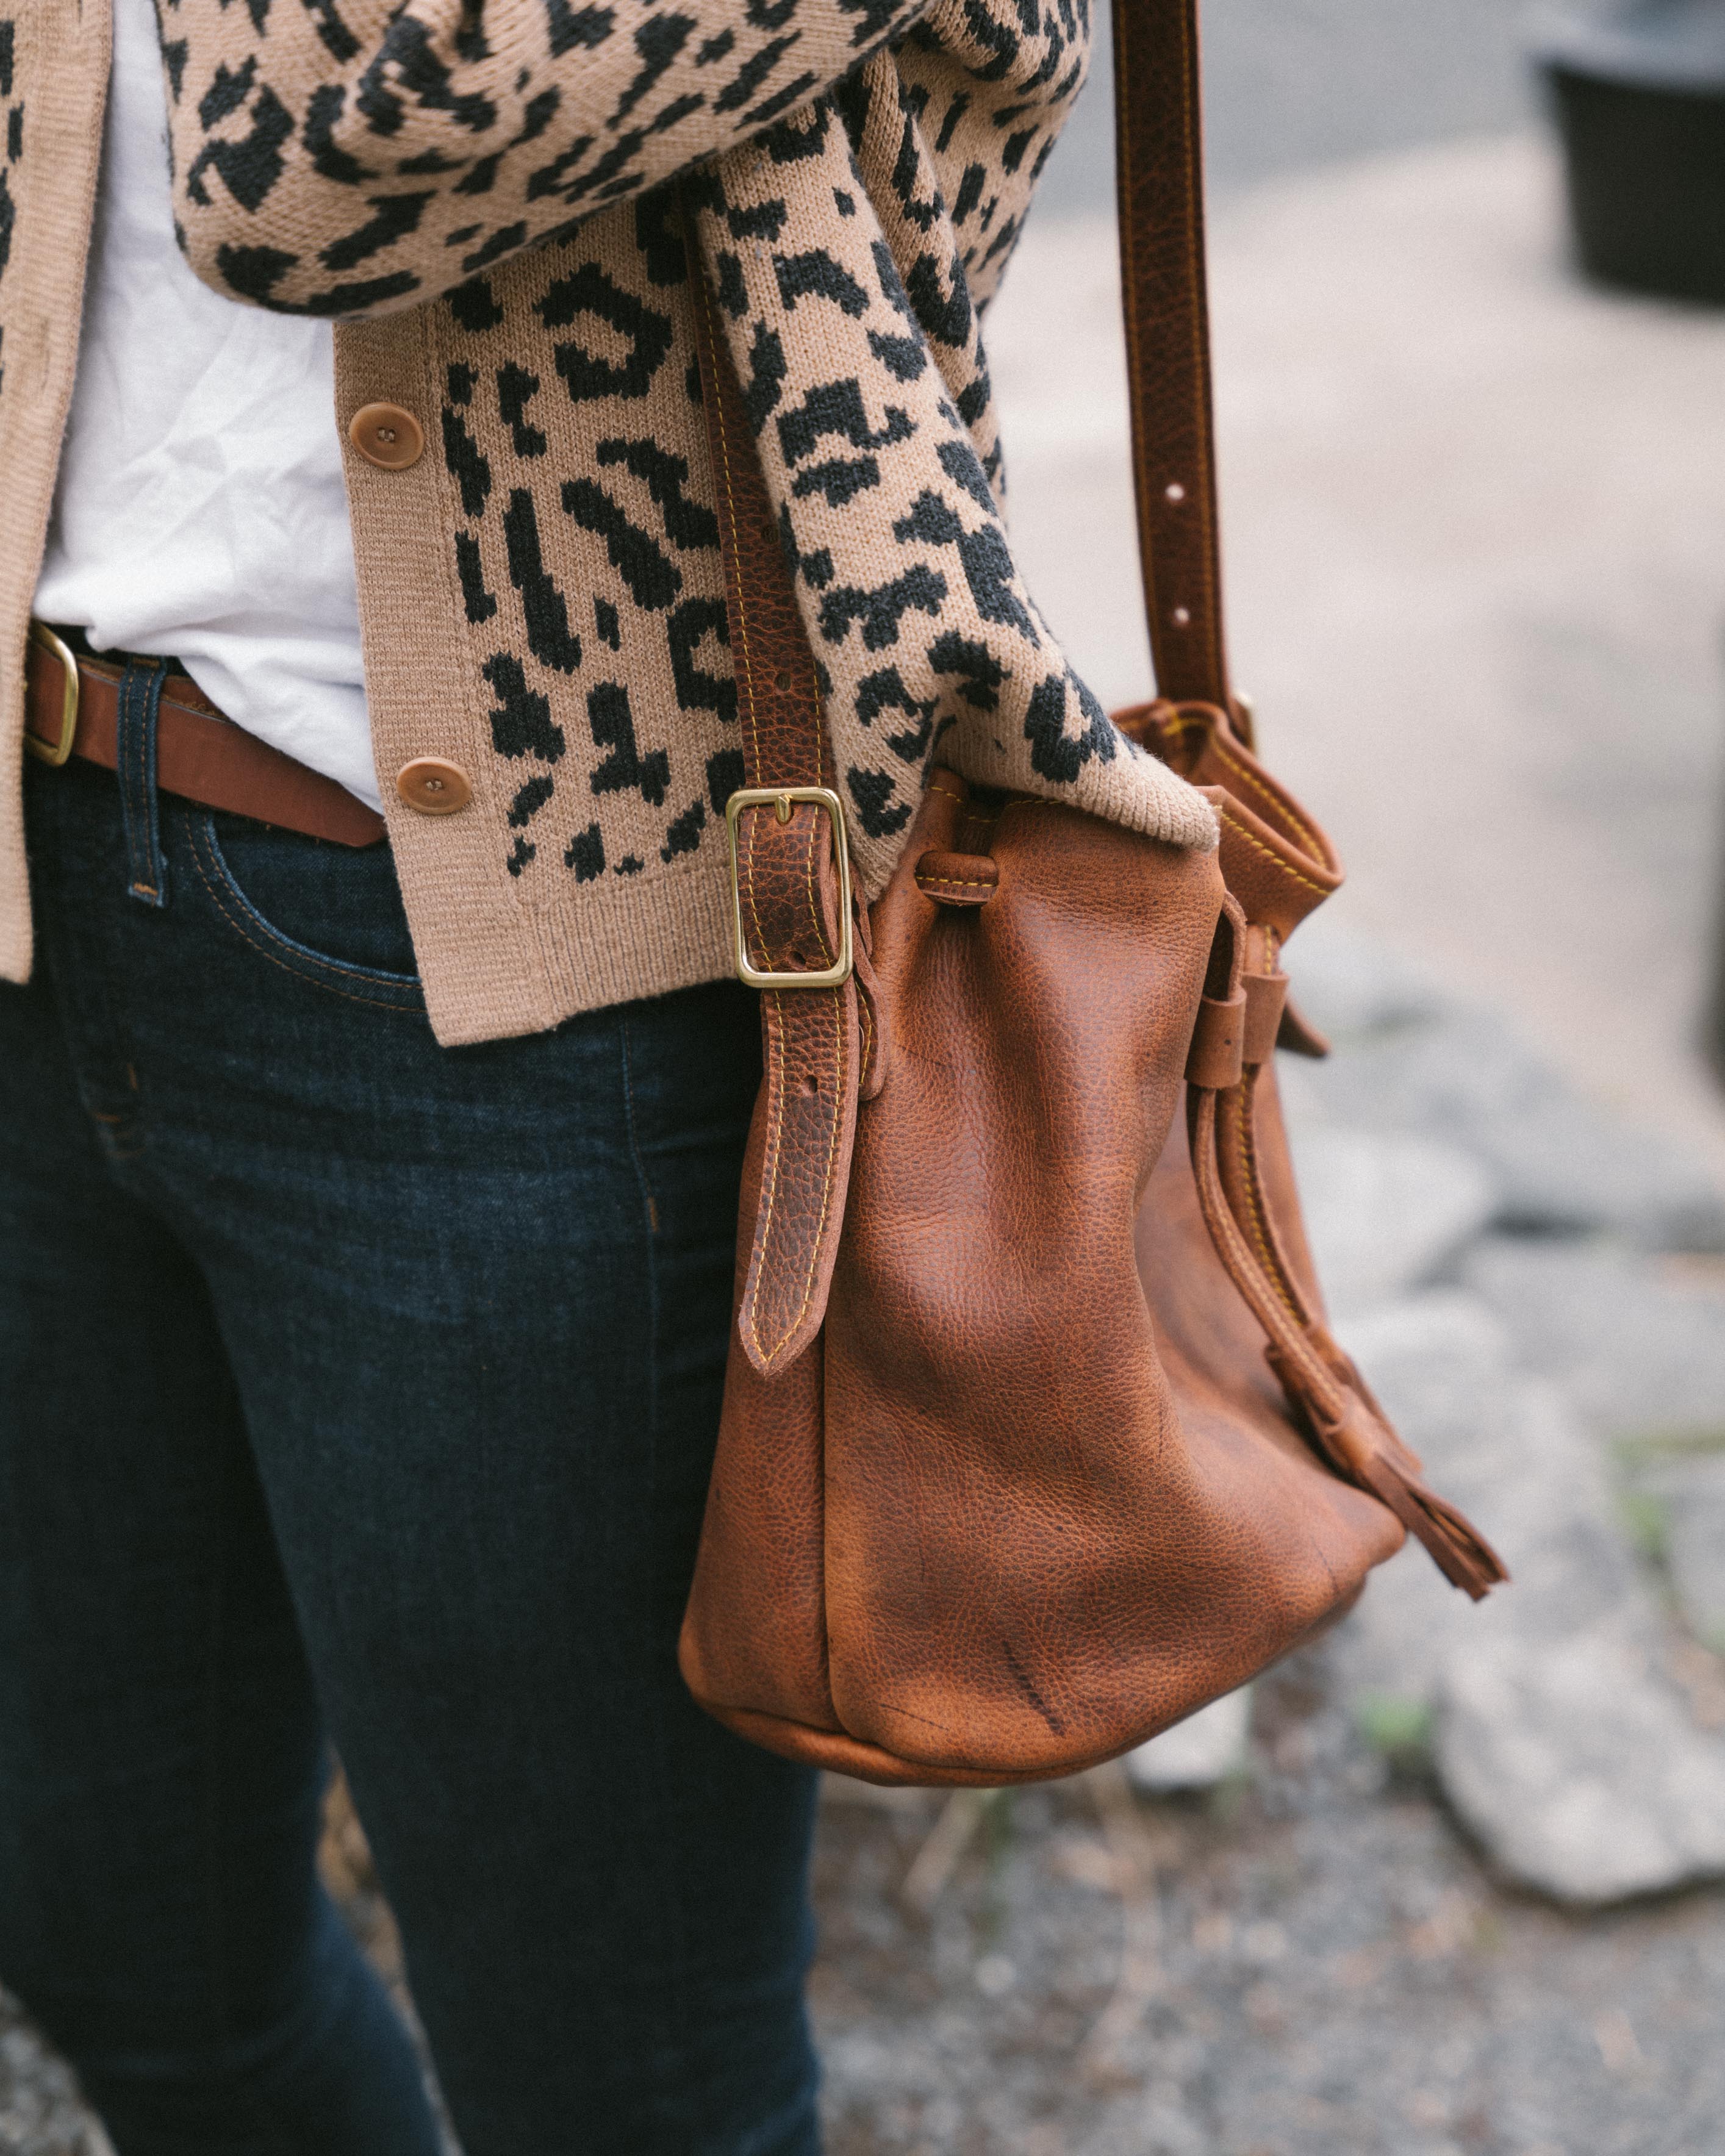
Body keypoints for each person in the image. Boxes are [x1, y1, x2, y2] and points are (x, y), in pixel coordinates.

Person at [0, 0, 1213, 2148]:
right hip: (44, 870)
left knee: (623, 2086)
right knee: (127, 1952)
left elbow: (321, 153)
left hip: (517, 1025)